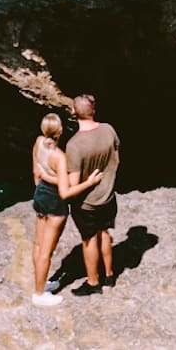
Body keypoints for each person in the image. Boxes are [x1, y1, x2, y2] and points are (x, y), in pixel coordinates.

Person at [30, 112, 103, 306]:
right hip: (55, 202)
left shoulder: (38, 142)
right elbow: (65, 193)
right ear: (60, 131)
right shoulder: (60, 157)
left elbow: (36, 171)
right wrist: (90, 182)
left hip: (40, 195)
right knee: (47, 251)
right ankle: (39, 295)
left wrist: (44, 180)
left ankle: (39, 284)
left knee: (38, 245)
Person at [62, 93, 120, 295]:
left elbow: (72, 187)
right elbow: (116, 159)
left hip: (87, 204)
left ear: (73, 112)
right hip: (109, 196)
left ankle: (93, 282)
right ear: (93, 111)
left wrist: (89, 182)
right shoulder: (108, 129)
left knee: (89, 240)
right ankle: (110, 275)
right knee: (104, 234)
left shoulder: (74, 145)